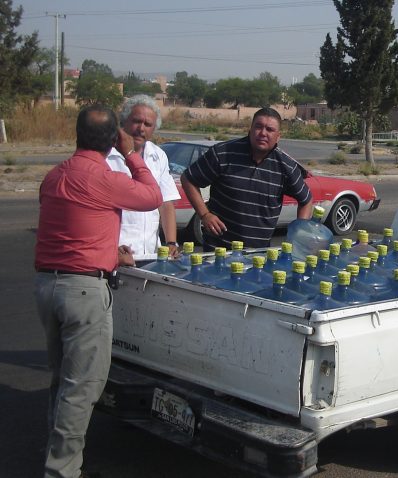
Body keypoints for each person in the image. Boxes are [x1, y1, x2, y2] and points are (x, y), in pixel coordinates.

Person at [34, 104, 163, 478]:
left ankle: (56, 456)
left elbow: (74, 229)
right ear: (113, 138)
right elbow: (152, 196)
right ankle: (62, 471)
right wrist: (131, 154)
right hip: (83, 292)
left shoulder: (54, 176)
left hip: (48, 284)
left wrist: (108, 252)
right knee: (81, 387)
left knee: (62, 380)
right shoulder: (105, 178)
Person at [181, 107, 313, 250]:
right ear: (250, 130)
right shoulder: (223, 153)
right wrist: (205, 215)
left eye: (269, 129)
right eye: (258, 127)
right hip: (218, 252)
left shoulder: (286, 166)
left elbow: (306, 200)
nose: (262, 133)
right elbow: (188, 179)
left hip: (257, 257)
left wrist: (299, 235)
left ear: (278, 137)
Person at [106, 95, 180, 263]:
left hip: (151, 254)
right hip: (117, 255)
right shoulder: (106, 156)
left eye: (148, 124)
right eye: (136, 121)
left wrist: (171, 242)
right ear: (123, 122)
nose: (141, 128)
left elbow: (166, 203)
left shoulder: (158, 156)